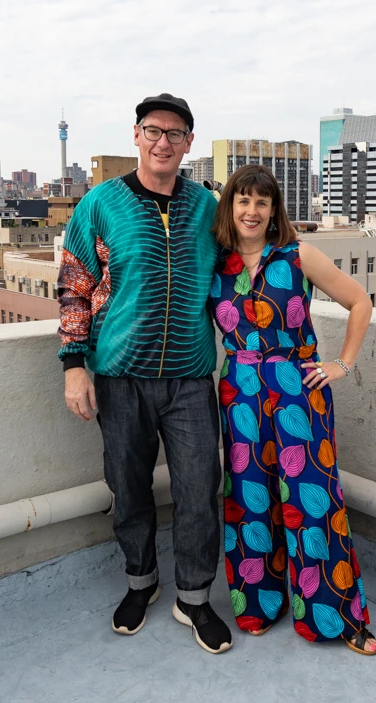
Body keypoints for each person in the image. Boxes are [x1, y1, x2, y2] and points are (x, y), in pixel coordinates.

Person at [57, 93, 232, 654]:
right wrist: (74, 366)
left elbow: (239, 268)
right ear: (136, 135)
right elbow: (74, 287)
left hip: (190, 376)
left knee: (199, 488)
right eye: (153, 130)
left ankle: (194, 597)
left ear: (188, 143)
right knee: (128, 486)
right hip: (119, 373)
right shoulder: (101, 203)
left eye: (175, 133)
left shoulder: (207, 207)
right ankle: (141, 582)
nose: (163, 142)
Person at [209, 164, 376, 655]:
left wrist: (342, 364)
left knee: (314, 503)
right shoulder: (215, 262)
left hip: (298, 392)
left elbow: (360, 302)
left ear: (273, 209)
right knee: (248, 502)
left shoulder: (298, 254)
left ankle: (338, 619)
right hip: (240, 393)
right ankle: (259, 606)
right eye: (243, 200)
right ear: (230, 206)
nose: (252, 210)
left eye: (261, 202)